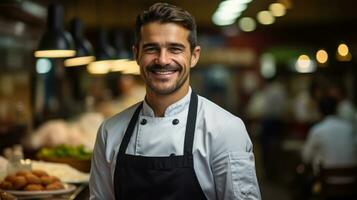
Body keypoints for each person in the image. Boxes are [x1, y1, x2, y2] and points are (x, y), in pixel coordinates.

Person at [89, 3, 261, 200]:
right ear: (136, 54)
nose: (162, 60)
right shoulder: (109, 132)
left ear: (194, 56)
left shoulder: (225, 129)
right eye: (152, 48)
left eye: (175, 49)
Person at [302, 96, 357, 173]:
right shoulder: (349, 128)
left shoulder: (318, 130)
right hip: (351, 179)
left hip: (326, 181)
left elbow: (306, 157)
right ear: (336, 110)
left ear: (320, 112)